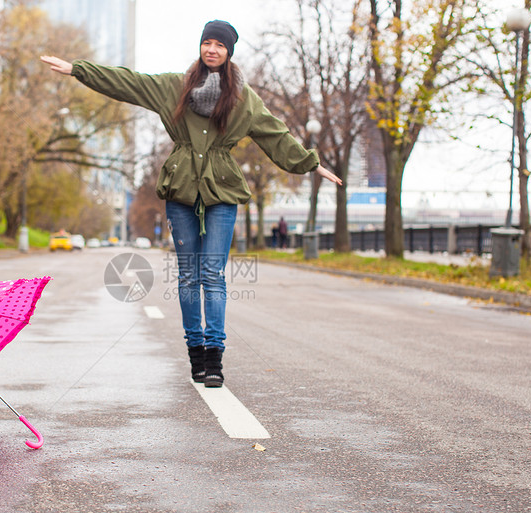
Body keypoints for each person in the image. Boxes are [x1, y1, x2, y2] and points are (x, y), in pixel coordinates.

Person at [41, 20, 341, 388]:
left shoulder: (244, 99)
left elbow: (275, 134)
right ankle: (195, 352)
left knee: (211, 273)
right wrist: (77, 70)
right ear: (200, 46)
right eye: (207, 42)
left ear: (229, 51)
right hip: (181, 189)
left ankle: (214, 357)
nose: (212, 49)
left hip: (222, 190)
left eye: (219, 44)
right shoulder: (174, 87)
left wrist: (311, 164)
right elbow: (128, 82)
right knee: (188, 274)